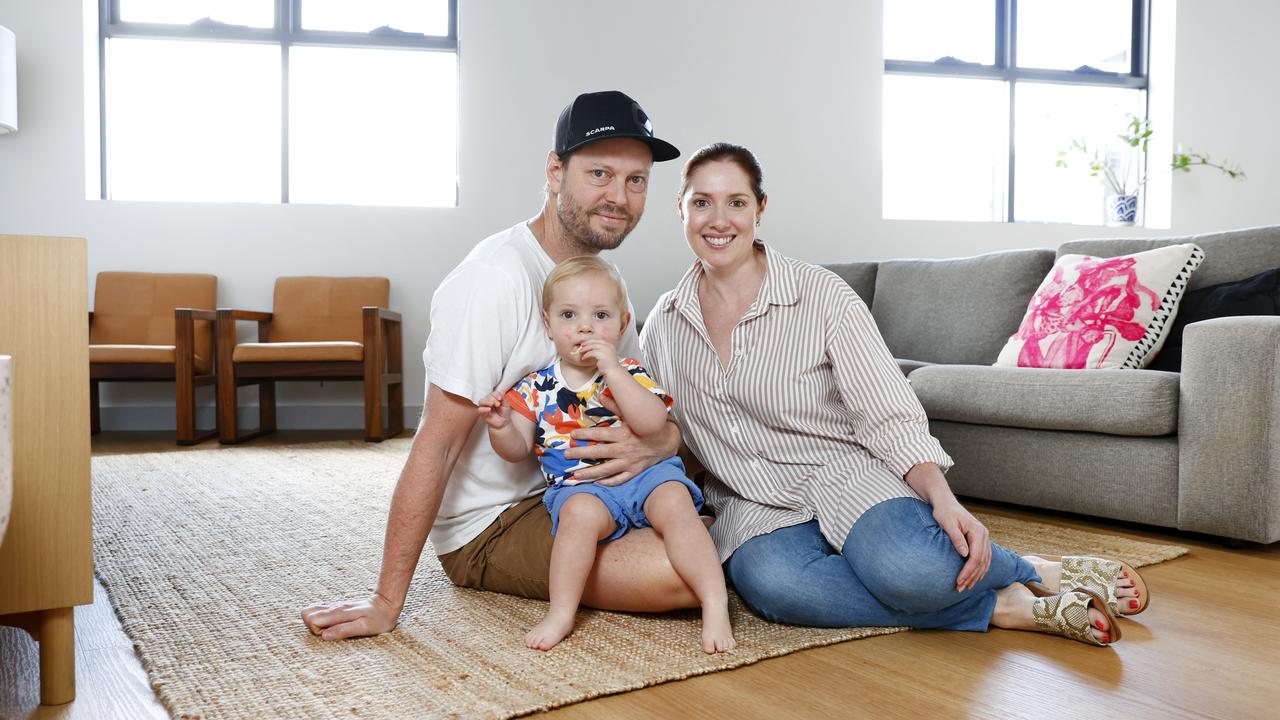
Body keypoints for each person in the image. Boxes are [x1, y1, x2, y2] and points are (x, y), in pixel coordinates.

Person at [638, 142, 1149, 646]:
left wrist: (942, 499)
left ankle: (1029, 568)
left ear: (760, 209)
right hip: (751, 502)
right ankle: (1000, 604)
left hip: (844, 474)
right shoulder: (662, 325)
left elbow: (888, 412)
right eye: (701, 201)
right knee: (779, 592)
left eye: (736, 202)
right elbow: (671, 432)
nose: (718, 219)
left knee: (916, 569)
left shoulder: (822, 294)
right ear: (680, 209)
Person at [301, 91, 697, 642]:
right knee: (681, 573)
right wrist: (385, 600)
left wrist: (662, 442)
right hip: (495, 521)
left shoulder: (602, 283)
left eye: (637, 180)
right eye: (600, 173)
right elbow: (436, 445)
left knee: (712, 492)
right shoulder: (493, 280)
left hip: (581, 484)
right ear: (555, 171)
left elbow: (636, 402)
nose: (620, 197)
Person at [478, 256, 734, 653]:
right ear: (548, 325)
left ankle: (715, 604)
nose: (584, 327)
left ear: (622, 323)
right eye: (568, 314)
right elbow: (516, 452)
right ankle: (563, 612)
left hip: (647, 477)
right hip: (581, 486)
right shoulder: (535, 387)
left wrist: (613, 371)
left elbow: (652, 423)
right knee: (577, 519)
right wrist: (500, 427)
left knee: (675, 504)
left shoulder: (629, 371)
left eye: (600, 315)